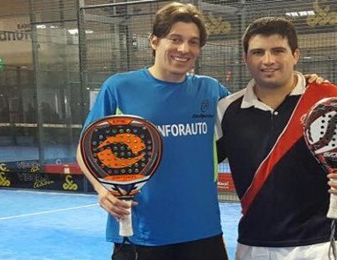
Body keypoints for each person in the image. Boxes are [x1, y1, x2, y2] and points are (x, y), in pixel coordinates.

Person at [216, 17, 337, 260]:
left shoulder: (327, 97)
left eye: (278, 51)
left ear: (295, 55)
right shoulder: (226, 110)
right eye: (258, 52)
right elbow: (202, 166)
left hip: (322, 242)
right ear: (245, 59)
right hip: (254, 243)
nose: (268, 60)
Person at [76, 2, 229, 259]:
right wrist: (102, 191)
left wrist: (303, 84)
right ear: (154, 41)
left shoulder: (211, 90)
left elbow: (253, 108)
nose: (184, 49)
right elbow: (85, 148)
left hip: (203, 231)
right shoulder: (119, 87)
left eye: (193, 42)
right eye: (175, 39)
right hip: (140, 232)